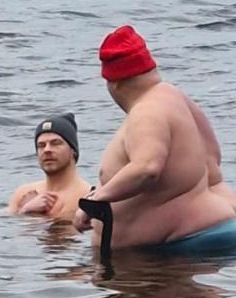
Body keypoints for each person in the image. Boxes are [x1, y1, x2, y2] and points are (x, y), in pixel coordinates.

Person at [73, 25, 236, 253]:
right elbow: (211, 161)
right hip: (209, 231)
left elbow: (147, 169)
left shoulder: (146, 112)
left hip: (178, 250)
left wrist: (94, 201)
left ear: (114, 83)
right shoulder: (174, 97)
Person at [8, 114, 90, 221]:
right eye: (41, 145)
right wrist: (25, 210)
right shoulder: (22, 193)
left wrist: (33, 215)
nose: (47, 150)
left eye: (55, 143)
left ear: (73, 151)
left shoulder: (86, 197)